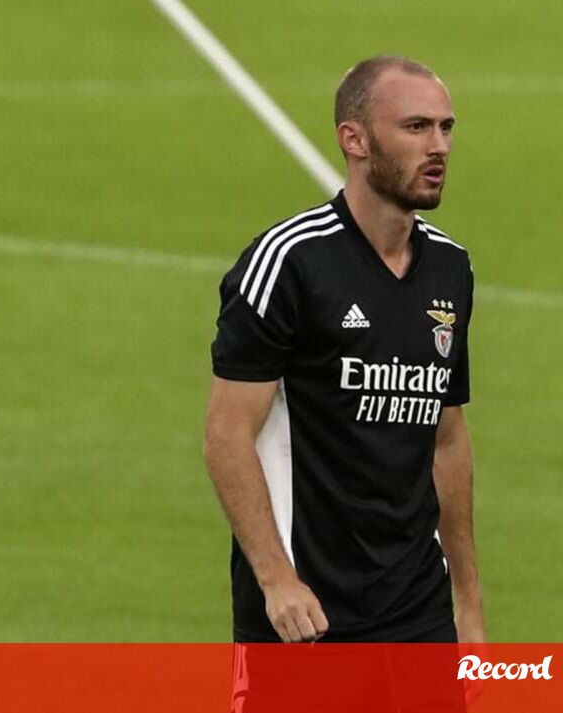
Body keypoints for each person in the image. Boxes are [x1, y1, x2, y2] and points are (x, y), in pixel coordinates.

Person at [205, 56, 481, 709]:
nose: (438, 146)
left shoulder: (450, 269)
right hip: (305, 618)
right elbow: (226, 433)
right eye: (415, 127)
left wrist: (468, 607)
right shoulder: (289, 262)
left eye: (445, 127)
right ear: (354, 139)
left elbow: (446, 440)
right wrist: (276, 579)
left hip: (417, 614)